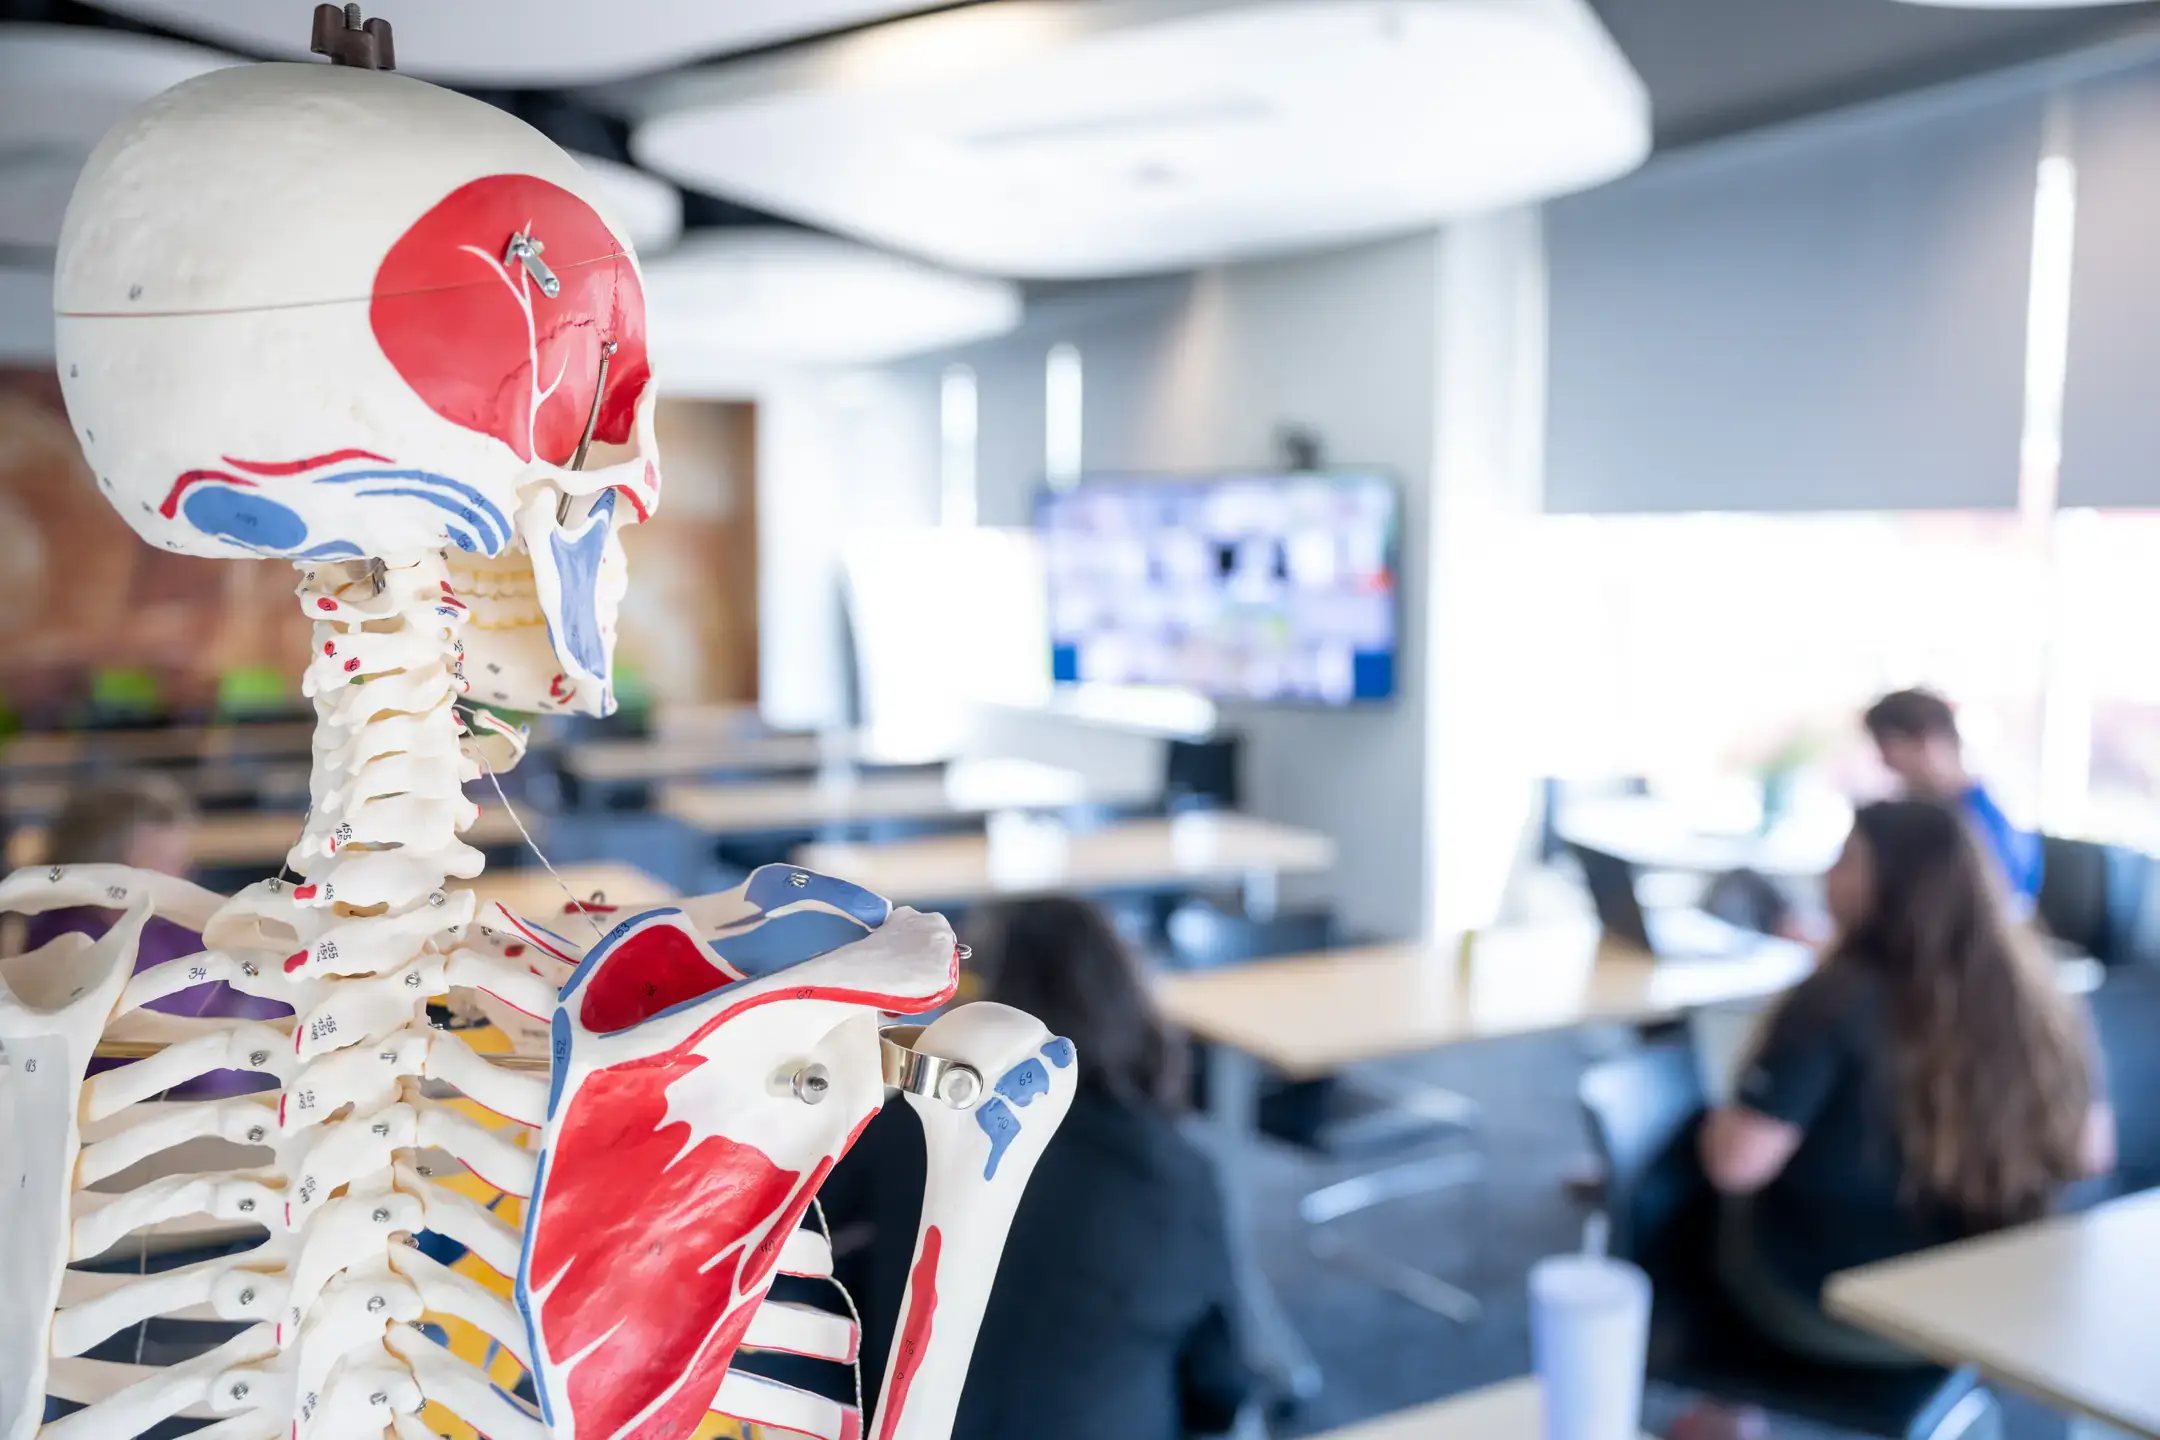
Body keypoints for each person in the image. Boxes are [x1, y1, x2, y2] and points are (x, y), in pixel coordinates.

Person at [819, 896, 1253, 1440]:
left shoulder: (906, 1129)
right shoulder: (1178, 1174)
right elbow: (1221, 1386)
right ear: (1126, 999)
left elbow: (803, 1225)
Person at [1699, 799, 2112, 1366]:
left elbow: (1736, 1164)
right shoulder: (2039, 997)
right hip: (1987, 1302)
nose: (1827, 876)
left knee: (1687, 1189)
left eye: (1846, 860)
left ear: (1896, 882)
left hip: (1831, 1302)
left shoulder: (1833, 1001)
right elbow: (2090, 1155)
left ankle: (1721, 1397)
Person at [23, 774, 289, 1095]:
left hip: (237, 1083)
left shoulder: (170, 924)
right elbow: (135, 1059)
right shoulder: (66, 942)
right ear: (109, 865)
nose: (184, 869)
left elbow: (268, 995)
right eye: (163, 860)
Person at [1863, 688, 2042, 906]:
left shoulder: (1983, 821)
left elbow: (2003, 902)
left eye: (1890, 749)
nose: (1886, 764)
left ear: (1930, 741)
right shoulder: (1918, 813)